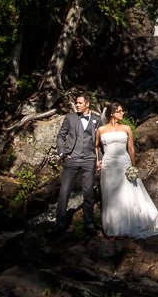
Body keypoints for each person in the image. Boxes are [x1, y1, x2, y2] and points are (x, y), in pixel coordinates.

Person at [96, 102, 158, 240]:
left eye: (122, 111)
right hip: (108, 164)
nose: (122, 114)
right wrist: (97, 161)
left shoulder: (126, 128)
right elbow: (96, 146)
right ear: (112, 114)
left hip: (124, 162)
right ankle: (112, 229)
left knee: (125, 194)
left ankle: (125, 228)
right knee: (110, 195)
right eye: (120, 111)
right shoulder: (101, 130)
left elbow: (131, 149)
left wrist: (133, 167)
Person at [54, 92, 102, 235]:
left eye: (80, 103)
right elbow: (60, 135)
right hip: (71, 158)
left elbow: (100, 143)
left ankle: (88, 225)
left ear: (87, 104)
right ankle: (60, 224)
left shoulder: (97, 120)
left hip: (89, 159)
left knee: (88, 193)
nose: (77, 105)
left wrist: (100, 159)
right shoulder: (70, 118)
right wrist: (62, 152)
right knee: (64, 192)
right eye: (76, 103)